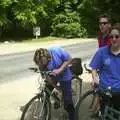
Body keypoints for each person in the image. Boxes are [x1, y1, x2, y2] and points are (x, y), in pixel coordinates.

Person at [33, 46, 75, 120]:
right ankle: (47, 114)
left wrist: (60, 69)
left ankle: (73, 117)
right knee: (45, 94)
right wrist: (55, 86)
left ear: (46, 57)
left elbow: (69, 59)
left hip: (64, 74)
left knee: (67, 101)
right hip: (52, 75)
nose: (41, 65)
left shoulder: (56, 51)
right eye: (39, 64)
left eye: (42, 62)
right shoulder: (41, 62)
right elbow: (45, 75)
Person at [90, 23, 120, 114]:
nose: (114, 39)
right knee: (104, 115)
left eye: (117, 36)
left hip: (119, 92)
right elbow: (94, 68)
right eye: (111, 37)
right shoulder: (102, 52)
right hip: (104, 90)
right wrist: (95, 78)